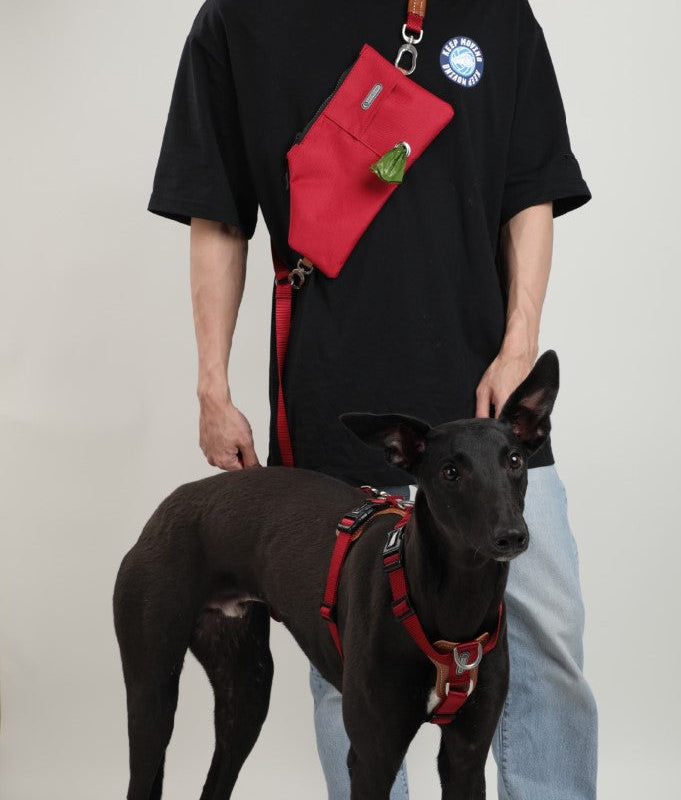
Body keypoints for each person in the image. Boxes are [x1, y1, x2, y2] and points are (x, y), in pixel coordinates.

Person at [147, 0, 598, 797]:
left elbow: (531, 185)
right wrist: (212, 386)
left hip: (483, 403)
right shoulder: (238, 21)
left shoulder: (493, 12)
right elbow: (218, 214)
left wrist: (521, 341)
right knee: (351, 672)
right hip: (332, 402)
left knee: (545, 644)